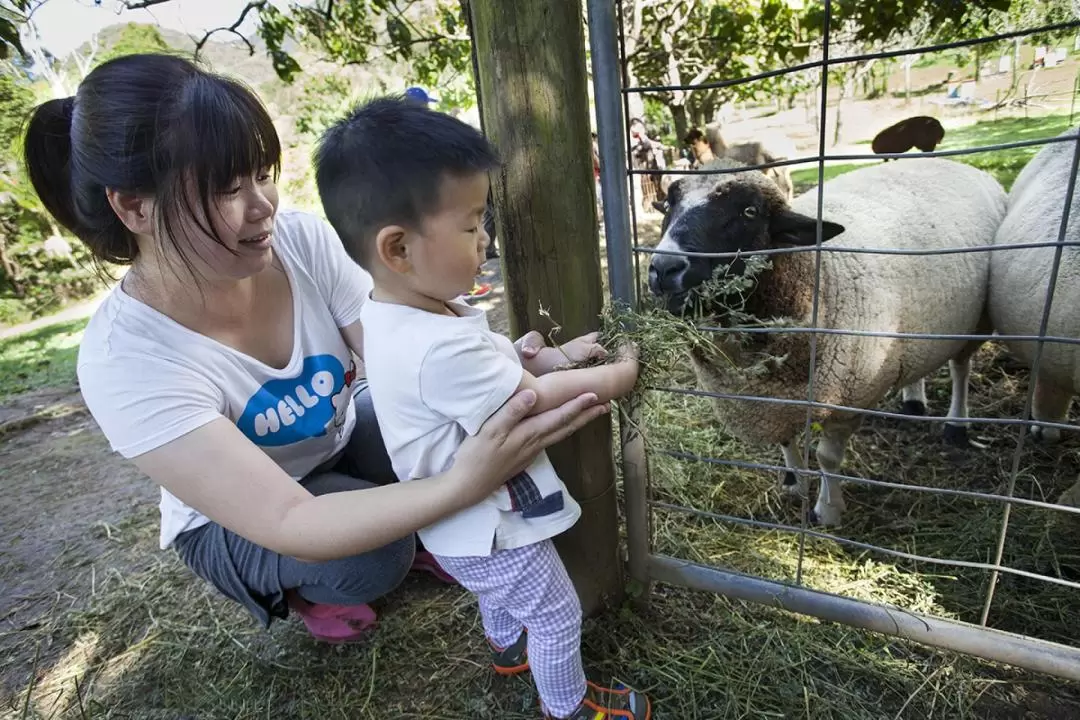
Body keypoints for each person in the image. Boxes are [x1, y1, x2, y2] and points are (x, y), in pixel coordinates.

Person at [22, 53, 610, 645]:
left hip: (336, 441)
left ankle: (401, 517)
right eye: (229, 188)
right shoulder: (124, 357)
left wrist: (501, 363)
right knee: (377, 555)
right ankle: (313, 584)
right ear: (135, 208)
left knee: (457, 420)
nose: (264, 205)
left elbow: (405, 346)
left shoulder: (298, 240)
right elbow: (290, 519)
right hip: (243, 519)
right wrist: (461, 488)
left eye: (261, 173)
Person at [313, 96, 651, 720]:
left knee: (508, 601)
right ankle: (568, 705)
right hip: (491, 526)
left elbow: (499, 362)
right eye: (471, 226)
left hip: (461, 529)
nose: (486, 237)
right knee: (554, 612)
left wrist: (558, 351)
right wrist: (619, 374)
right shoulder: (433, 344)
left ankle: (505, 650)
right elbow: (527, 396)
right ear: (398, 249)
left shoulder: (401, 312)